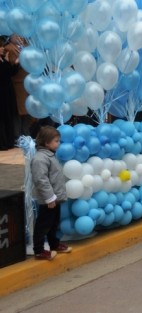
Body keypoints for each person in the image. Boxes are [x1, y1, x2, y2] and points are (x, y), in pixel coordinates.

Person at [31, 126, 72, 260]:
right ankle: (39, 250)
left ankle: (53, 244)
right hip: (48, 200)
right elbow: (41, 180)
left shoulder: (49, 155)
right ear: (46, 142)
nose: (58, 144)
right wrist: (49, 198)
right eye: (56, 141)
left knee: (53, 223)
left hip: (55, 198)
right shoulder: (40, 159)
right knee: (43, 225)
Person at [5, 35, 33, 137]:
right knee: (19, 111)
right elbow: (11, 65)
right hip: (17, 83)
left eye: (21, 35)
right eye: (16, 35)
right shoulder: (9, 48)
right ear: (11, 37)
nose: (20, 37)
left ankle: (26, 133)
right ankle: (18, 136)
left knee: (28, 110)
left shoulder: (26, 47)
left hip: (28, 81)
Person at [0, 36, 19, 150]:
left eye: (2, 46)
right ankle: (3, 143)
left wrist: (15, 63)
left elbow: (9, 74)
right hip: (1, 93)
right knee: (2, 119)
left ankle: (9, 141)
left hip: (6, 92)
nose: (2, 48)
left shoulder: (3, 59)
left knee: (8, 116)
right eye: (0, 47)